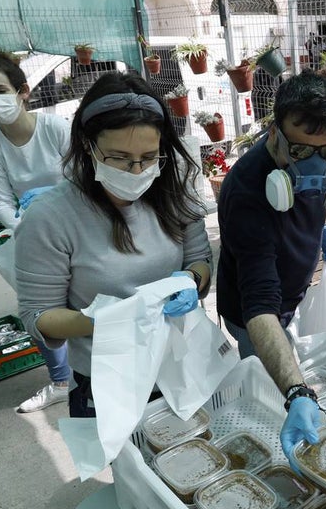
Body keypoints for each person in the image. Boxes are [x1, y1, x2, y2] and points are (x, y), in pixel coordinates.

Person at [15, 72, 212, 419]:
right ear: (88, 147)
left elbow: (199, 259)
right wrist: (107, 320)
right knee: (131, 469)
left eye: (149, 157)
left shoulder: (172, 191)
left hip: (181, 361)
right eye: (119, 158)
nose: (137, 171)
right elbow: (40, 316)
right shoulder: (51, 217)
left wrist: (191, 282)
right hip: (109, 377)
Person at [215, 71, 326, 463]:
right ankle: (265, 455)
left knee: (288, 365)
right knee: (267, 395)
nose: (316, 165)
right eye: (302, 152)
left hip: (291, 295)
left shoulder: (317, 160)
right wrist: (297, 392)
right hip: (252, 316)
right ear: (274, 132)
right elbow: (259, 307)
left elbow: (315, 194)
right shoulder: (246, 190)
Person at [0, 51, 74, 414]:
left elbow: (83, 179)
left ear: (23, 91)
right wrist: (25, 227)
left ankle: (91, 373)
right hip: (30, 233)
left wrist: (54, 199)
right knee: (38, 311)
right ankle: (61, 382)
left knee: (82, 301)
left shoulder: (55, 128)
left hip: (78, 226)